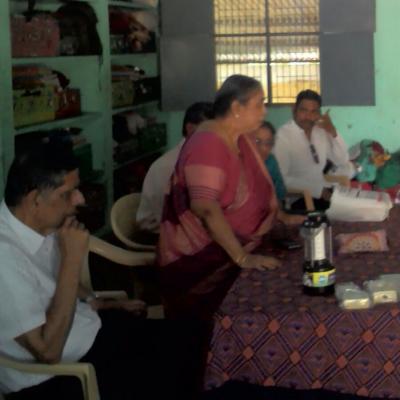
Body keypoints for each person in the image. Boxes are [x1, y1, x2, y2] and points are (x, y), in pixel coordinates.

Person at [0, 142, 206, 400]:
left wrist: (99, 303)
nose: (81, 199)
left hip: (91, 333)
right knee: (178, 371)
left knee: (193, 336)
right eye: (69, 192)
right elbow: (48, 352)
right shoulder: (5, 258)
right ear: (35, 200)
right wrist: (72, 259)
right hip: (58, 377)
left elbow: (51, 287)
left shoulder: (39, 225)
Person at [158, 74, 281, 321]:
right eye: (259, 104)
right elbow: (205, 208)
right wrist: (242, 257)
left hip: (236, 246)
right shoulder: (208, 143)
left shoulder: (238, 139)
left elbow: (256, 193)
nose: (264, 111)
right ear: (236, 108)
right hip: (202, 262)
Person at [136, 102, 214, 234]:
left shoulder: (202, 157)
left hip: (182, 227)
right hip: (158, 233)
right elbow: (170, 217)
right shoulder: (168, 166)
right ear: (190, 129)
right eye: (210, 131)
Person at [273, 89, 354, 210]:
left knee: (353, 206)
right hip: (299, 198)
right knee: (344, 212)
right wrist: (317, 190)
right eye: (303, 110)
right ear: (294, 110)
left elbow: (342, 160)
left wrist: (332, 131)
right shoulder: (283, 137)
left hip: (323, 192)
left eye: (313, 112)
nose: (308, 117)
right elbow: (281, 179)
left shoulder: (320, 131)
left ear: (319, 113)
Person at [250, 121, 305, 226]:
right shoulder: (239, 162)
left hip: (269, 216)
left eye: (269, 143)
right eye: (257, 141)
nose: (264, 148)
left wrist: (278, 216)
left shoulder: (271, 161)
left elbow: (278, 195)